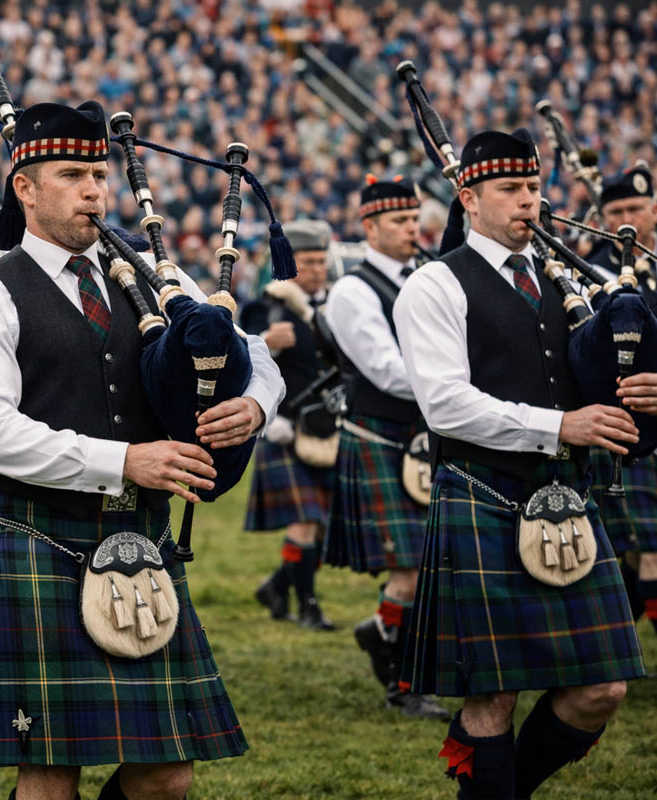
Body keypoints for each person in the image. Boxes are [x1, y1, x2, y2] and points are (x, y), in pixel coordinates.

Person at [0, 101, 284, 800]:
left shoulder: (154, 275)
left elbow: (252, 355)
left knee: (167, 776)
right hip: (42, 539)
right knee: (50, 778)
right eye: (72, 174)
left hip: (141, 541)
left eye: (99, 172)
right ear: (24, 187)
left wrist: (254, 405)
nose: (94, 188)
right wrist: (123, 459)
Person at [394, 129, 646, 800]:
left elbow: (601, 377)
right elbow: (446, 406)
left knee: (602, 687)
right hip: (482, 495)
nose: (528, 202)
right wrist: (562, 425)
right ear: (468, 198)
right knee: (493, 697)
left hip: (568, 498)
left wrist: (640, 390)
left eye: (534, 188)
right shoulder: (436, 285)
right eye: (510, 190)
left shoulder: (570, 284)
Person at [321, 175, 449, 719]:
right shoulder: (353, 290)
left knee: (431, 562)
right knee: (412, 566)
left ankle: (386, 636)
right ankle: (402, 678)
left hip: (428, 437)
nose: (410, 229)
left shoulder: (428, 275)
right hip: (383, 436)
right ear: (369, 227)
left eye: (413, 218)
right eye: (398, 221)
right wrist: (455, 385)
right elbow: (387, 370)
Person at [245, 221, 336, 629]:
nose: (317, 269)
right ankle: (309, 608)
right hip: (283, 430)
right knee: (306, 520)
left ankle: (276, 588)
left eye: (321, 261)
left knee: (319, 525)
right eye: (309, 262)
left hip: (325, 432)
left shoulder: (337, 306)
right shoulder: (266, 305)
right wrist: (264, 337)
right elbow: (235, 356)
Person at [586, 165, 657, 638]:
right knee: (644, 546)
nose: (625, 219)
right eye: (615, 212)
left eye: (634, 208)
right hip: (624, 423)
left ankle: (616, 643)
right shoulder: (585, 271)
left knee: (643, 549)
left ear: (653, 210)